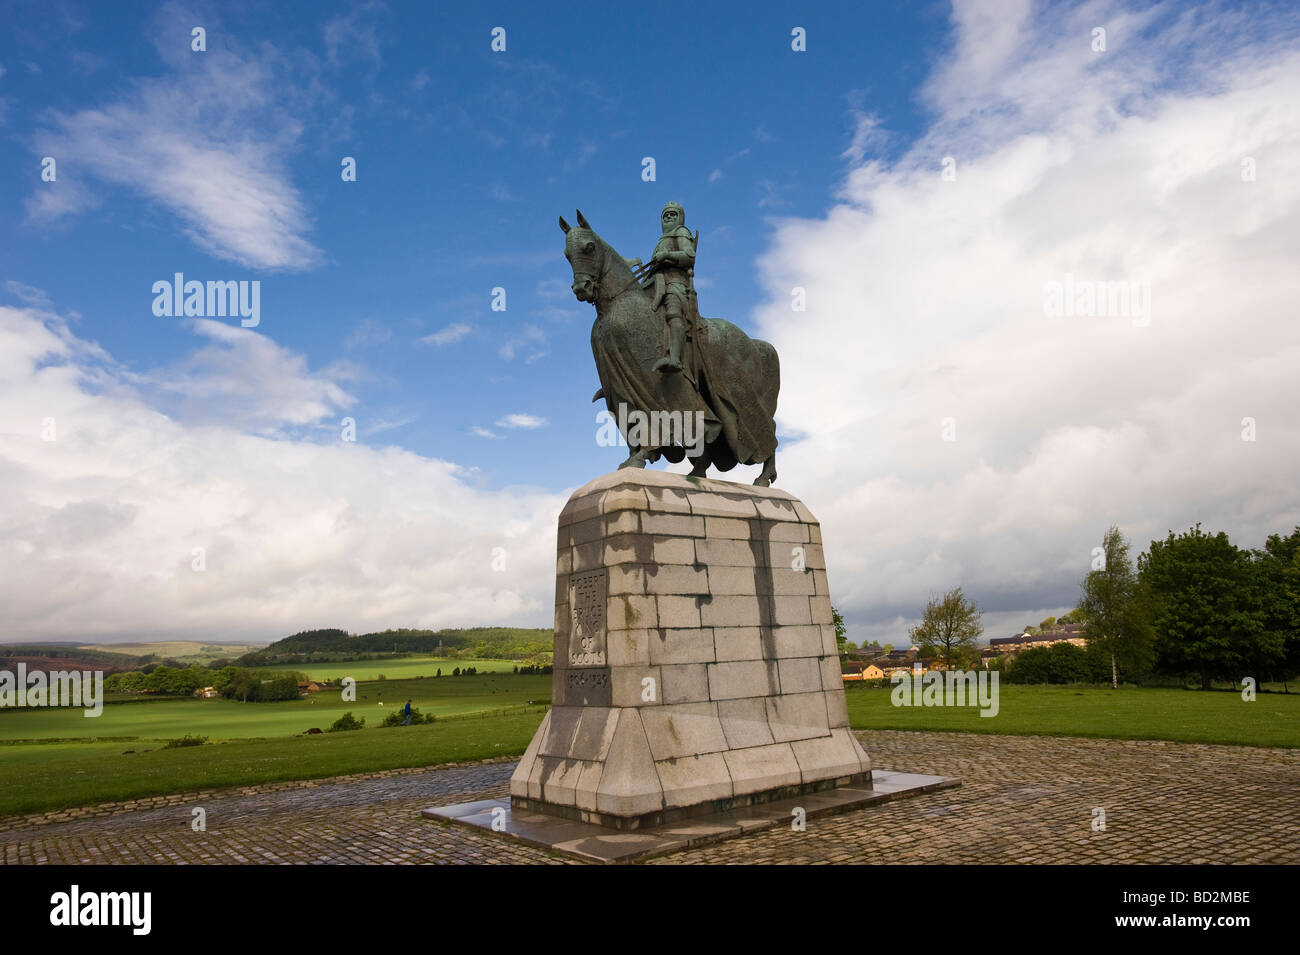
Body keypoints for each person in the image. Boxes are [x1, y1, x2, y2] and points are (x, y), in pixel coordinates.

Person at [641, 201, 697, 374]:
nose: (669, 217)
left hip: (674, 282)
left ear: (680, 218)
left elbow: (689, 255)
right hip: (655, 284)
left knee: (673, 310)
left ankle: (675, 359)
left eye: (673, 214)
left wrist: (667, 255)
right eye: (666, 215)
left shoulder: (680, 232)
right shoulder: (661, 240)